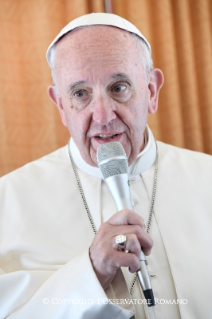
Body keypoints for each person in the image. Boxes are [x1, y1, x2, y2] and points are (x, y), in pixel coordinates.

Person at [0, 12, 211, 319]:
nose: (102, 115)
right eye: (80, 93)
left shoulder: (206, 178)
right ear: (60, 105)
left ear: (151, 91)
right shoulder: (8, 201)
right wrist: (90, 274)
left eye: (119, 87)